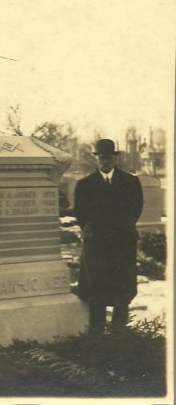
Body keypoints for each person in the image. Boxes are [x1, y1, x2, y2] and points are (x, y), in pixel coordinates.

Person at [74, 139, 143, 331]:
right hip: (96, 243)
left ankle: (120, 330)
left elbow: (135, 210)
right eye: (101, 157)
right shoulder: (85, 184)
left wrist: (122, 228)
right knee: (97, 285)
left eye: (109, 157)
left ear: (115, 158)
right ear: (96, 159)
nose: (105, 161)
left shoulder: (130, 182)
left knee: (122, 284)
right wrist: (94, 231)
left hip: (122, 241)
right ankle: (97, 332)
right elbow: (80, 214)